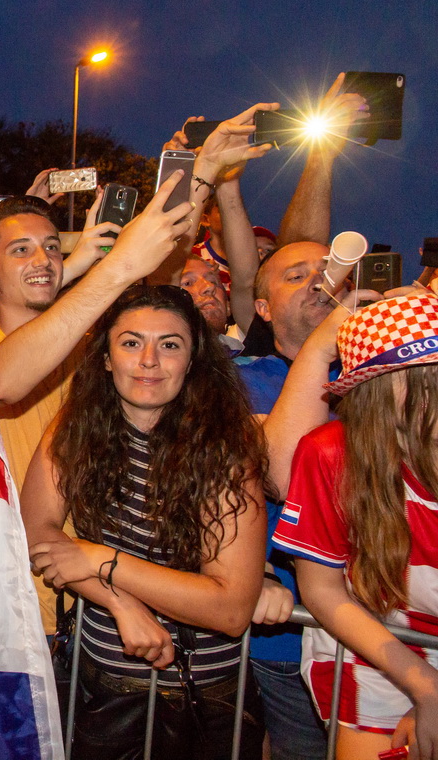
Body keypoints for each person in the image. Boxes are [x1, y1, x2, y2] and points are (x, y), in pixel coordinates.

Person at [26, 285, 268, 758]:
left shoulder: (223, 452)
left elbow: (231, 608)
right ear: (106, 357)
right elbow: (36, 532)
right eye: (131, 342)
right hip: (101, 687)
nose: (149, 360)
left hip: (201, 694)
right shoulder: (75, 425)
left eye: (170, 344)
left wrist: (103, 560)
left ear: (194, 360)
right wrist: (120, 603)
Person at [272, 292, 438, 760]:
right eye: (424, 380)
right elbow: (322, 590)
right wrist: (423, 685)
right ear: (380, 389)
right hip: (373, 649)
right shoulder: (330, 454)